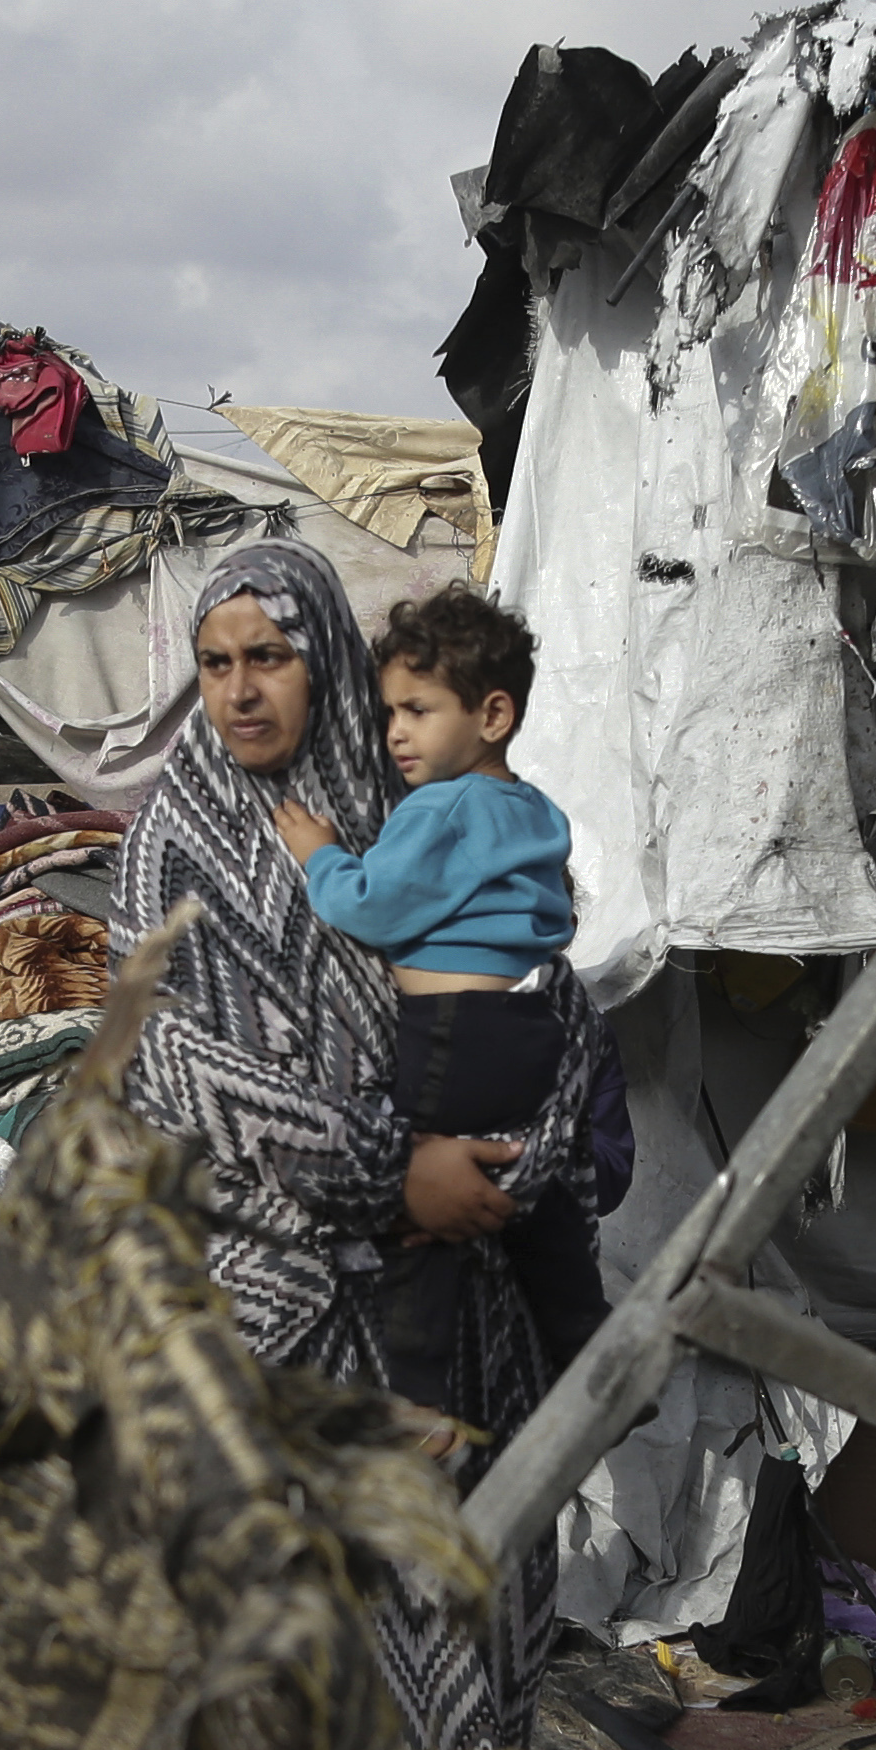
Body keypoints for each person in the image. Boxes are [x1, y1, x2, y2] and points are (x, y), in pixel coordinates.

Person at [108, 541, 610, 1750]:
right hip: (272, 1304)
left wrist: (506, 1168)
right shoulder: (171, 849)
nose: (240, 692)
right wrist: (394, 1175)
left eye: (269, 658)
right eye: (217, 665)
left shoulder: (419, 804)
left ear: (323, 659)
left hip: (463, 1300)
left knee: (475, 1609)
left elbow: (552, 1009)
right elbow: (173, 1071)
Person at [268, 583, 610, 1410]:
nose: (396, 733)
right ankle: (598, 1362)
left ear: (492, 716)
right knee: (542, 1213)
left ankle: (417, 1394)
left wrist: (318, 853)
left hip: (453, 1034)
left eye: (418, 711)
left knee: (422, 1209)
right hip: (528, 1030)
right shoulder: (534, 811)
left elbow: (368, 906)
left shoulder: (439, 809)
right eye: (389, 713)